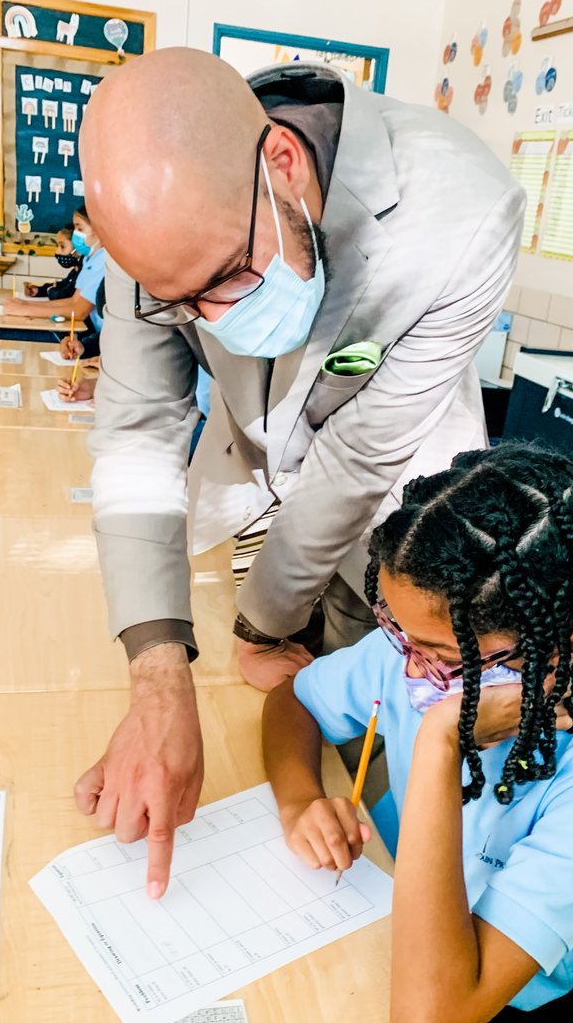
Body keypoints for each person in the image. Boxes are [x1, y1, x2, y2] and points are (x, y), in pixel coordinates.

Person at [73, 47, 525, 897]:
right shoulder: (157, 241)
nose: (214, 321)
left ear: (281, 161)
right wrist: (157, 676)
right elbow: (138, 437)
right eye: (179, 306)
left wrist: (260, 626)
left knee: (391, 715)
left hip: (398, 508)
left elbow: (358, 461)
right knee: (276, 716)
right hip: (276, 486)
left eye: (228, 279)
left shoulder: (458, 214)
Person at [262, 444, 573, 1023]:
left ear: (556, 644)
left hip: (487, 1016)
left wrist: (442, 746)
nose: (412, 672)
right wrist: (300, 796)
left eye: (443, 659)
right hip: (371, 924)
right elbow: (293, 702)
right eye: (399, 638)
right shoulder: (419, 651)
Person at [3, 207, 105, 360]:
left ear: (98, 229)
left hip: (104, 341)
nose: (75, 233)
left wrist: (26, 311)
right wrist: (25, 305)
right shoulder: (90, 258)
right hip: (98, 340)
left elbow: (79, 311)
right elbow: (73, 300)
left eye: (79, 228)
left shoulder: (104, 261)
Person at [23, 224, 82, 300]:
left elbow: (62, 295)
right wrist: (39, 290)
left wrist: (50, 290)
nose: (57, 252)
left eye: (62, 246)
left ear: (77, 246)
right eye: (57, 246)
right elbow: (63, 285)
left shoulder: (84, 270)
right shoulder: (76, 268)